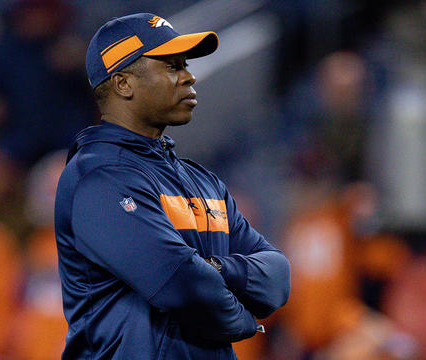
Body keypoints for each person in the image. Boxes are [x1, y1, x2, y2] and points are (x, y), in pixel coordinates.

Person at [54, 13, 291, 360]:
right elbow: (181, 284)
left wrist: (221, 269)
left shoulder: (204, 181)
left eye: (185, 65)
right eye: (171, 66)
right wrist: (241, 321)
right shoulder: (98, 177)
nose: (189, 76)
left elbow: (277, 276)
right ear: (123, 83)